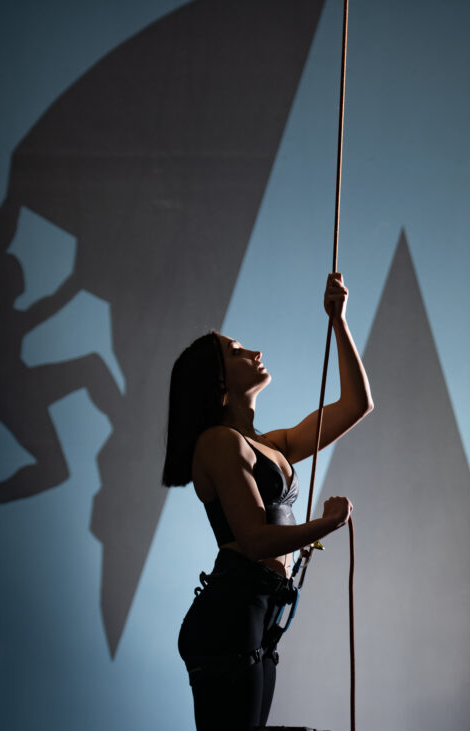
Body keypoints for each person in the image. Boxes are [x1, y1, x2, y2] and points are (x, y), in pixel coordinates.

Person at [161, 273, 372, 730]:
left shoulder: (271, 444)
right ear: (219, 381)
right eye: (236, 352)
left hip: (262, 615)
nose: (254, 352)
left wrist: (338, 322)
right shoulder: (219, 442)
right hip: (232, 611)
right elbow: (255, 539)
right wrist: (326, 523)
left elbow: (357, 404)